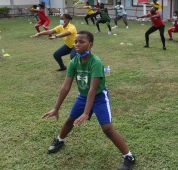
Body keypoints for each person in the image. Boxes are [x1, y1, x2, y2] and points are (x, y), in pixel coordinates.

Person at [42, 30, 136, 170]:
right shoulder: (74, 61)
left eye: (82, 42)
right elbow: (66, 86)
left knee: (108, 129)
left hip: (99, 97)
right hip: (82, 97)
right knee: (69, 121)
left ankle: (129, 157)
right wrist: (56, 108)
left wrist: (86, 113)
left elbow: (93, 89)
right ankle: (60, 141)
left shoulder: (96, 62)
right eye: (75, 42)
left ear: (90, 44)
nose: (77, 45)